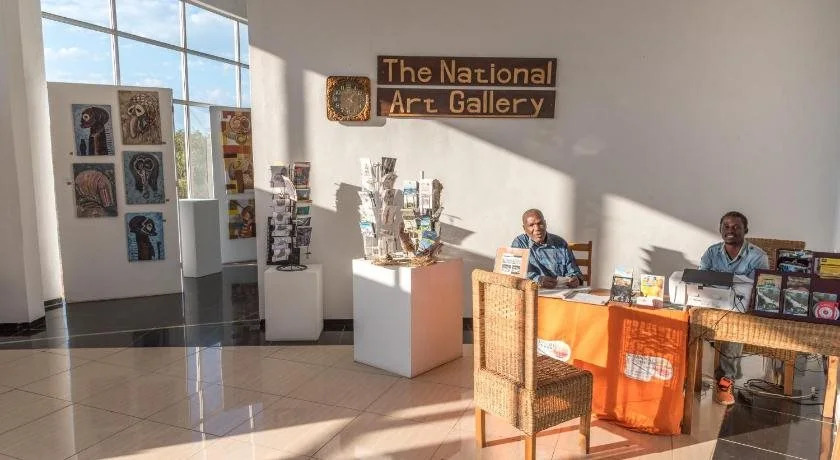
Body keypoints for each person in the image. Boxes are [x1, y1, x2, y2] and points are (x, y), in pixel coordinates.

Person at [699, 211, 769, 406]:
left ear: (745, 230)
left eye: (736, 227)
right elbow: (700, 280)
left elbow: (761, 291)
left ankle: (726, 380)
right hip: (713, 304)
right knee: (689, 318)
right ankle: (691, 372)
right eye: (726, 226)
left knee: (735, 326)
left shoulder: (758, 256)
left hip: (741, 309)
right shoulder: (712, 252)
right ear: (720, 229)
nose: (731, 230)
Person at [511, 209, 584, 289]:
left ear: (545, 223)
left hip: (561, 291)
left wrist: (576, 279)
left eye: (540, 223)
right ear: (524, 228)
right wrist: (538, 279)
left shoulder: (561, 243)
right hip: (533, 292)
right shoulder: (519, 243)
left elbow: (574, 272)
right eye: (531, 225)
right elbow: (515, 273)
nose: (537, 228)